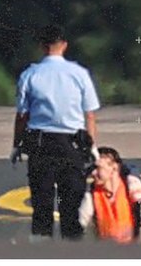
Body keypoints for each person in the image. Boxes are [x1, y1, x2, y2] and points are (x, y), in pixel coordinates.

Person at [12, 25, 101, 241]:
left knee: (42, 204)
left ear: (42, 47)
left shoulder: (30, 74)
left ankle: (41, 256)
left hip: (41, 143)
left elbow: (22, 115)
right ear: (65, 46)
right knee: (71, 205)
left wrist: (17, 144)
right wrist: (92, 146)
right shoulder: (79, 74)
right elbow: (89, 114)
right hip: (71, 144)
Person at [79, 147, 141, 243]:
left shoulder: (131, 185)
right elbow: (80, 223)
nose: (93, 173)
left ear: (114, 167)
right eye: (93, 168)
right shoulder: (92, 195)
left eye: (98, 168)